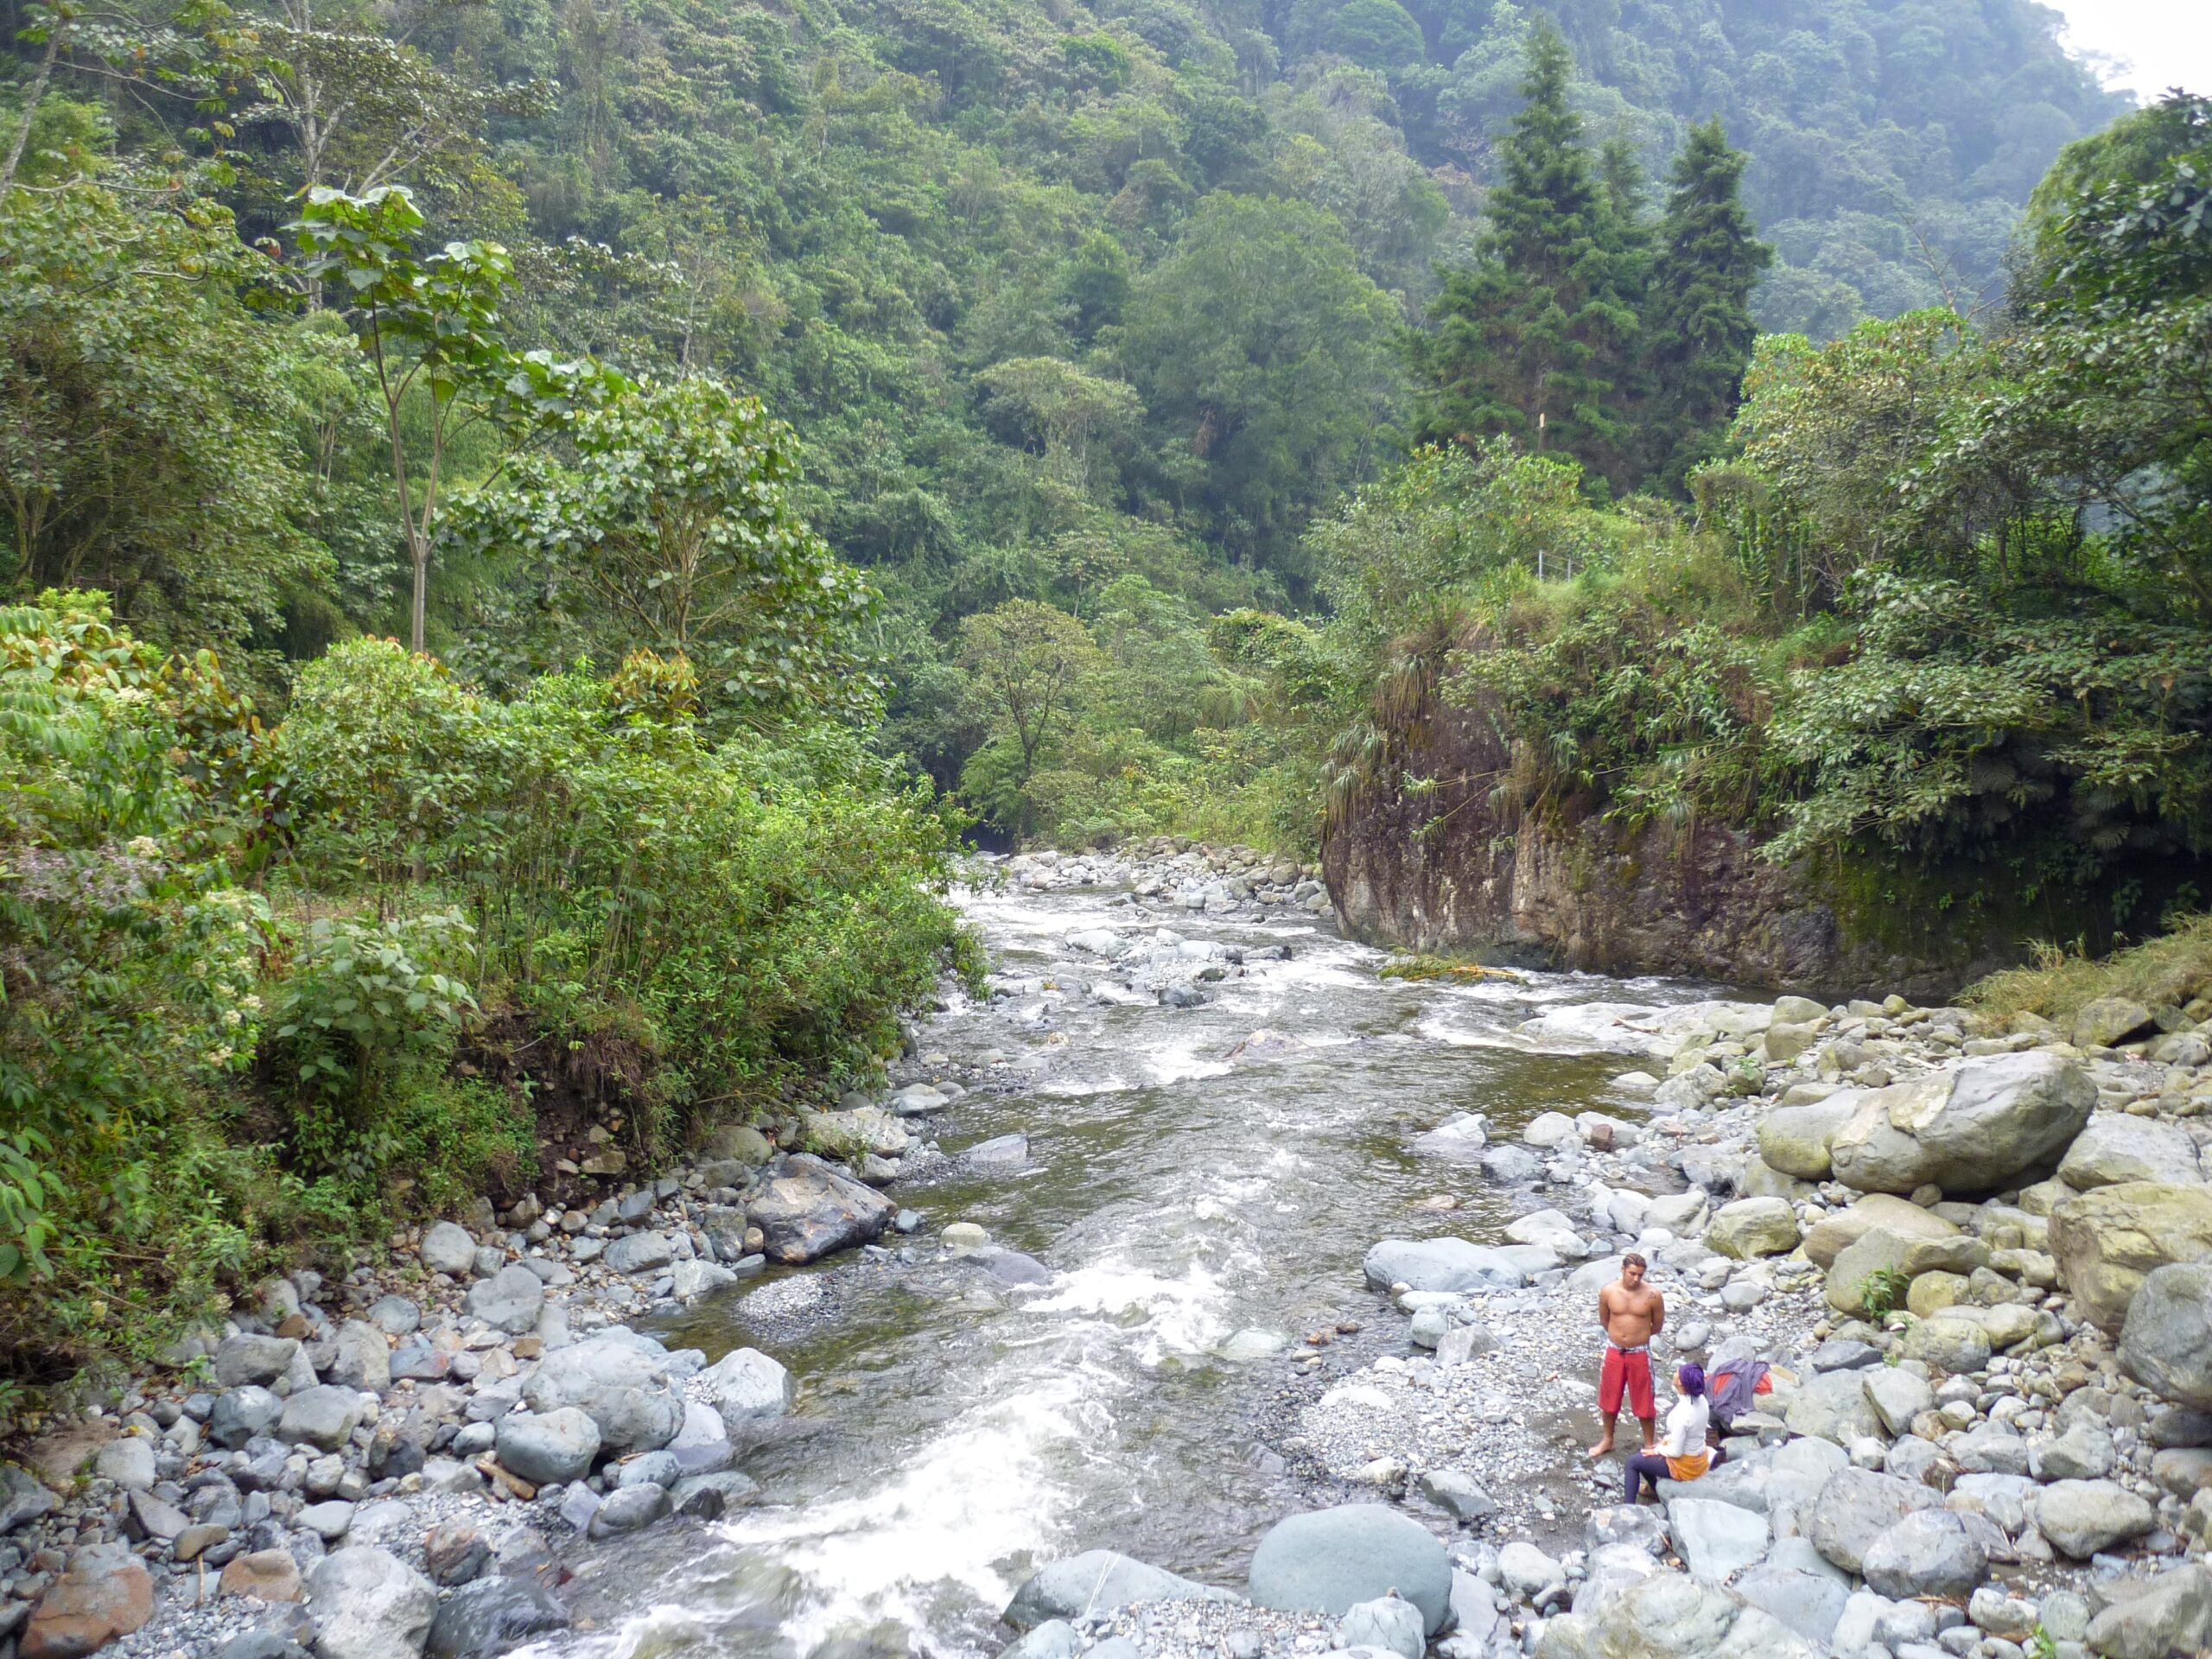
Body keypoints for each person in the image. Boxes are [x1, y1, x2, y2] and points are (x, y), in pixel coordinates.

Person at [1588, 1252, 1662, 1458]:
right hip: (1614, 1350)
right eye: (1632, 1273)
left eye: (1640, 1274)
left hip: (1639, 1352)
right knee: (1609, 1397)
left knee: (1645, 1400)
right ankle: (1607, 1439)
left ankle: (1649, 1443)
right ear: (1623, 1270)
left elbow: (1657, 1326)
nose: (1636, 1278)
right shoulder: (1608, 1291)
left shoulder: (1653, 1295)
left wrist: (1636, 1336)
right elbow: (1605, 1319)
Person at [1624, 1363, 1729, 1502]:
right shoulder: (1701, 1400)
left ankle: (1628, 1506)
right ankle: (1654, 1489)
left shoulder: (1683, 1415)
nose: (1674, 1373)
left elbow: (1676, 1452)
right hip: (1699, 1455)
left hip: (1685, 1465)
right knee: (1645, 1454)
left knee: (1633, 1462)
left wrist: (1658, 1449)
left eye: (1676, 1372)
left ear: (1680, 1382)